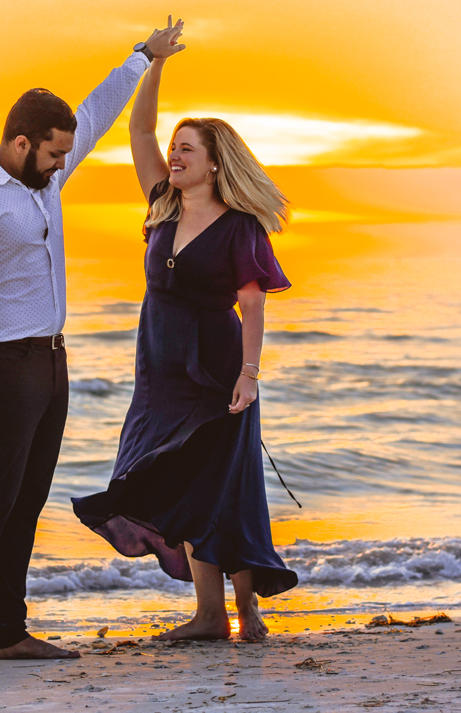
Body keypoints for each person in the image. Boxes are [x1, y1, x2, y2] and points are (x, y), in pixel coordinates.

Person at [0, 19, 188, 672]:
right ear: (21, 143)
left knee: (26, 502)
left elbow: (98, 113)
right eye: (52, 154)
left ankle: (9, 633)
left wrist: (142, 57)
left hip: (50, 361)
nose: (62, 163)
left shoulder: (45, 182)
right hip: (2, 365)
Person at [71, 37, 298, 642]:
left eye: (186, 149)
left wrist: (249, 375)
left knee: (225, 485)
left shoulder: (239, 227)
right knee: (164, 476)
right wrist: (154, 62)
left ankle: (228, 614)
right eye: (175, 148)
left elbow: (251, 304)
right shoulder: (162, 205)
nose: (173, 155)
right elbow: (139, 133)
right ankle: (219, 614)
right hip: (161, 372)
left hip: (218, 371)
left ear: (214, 162)